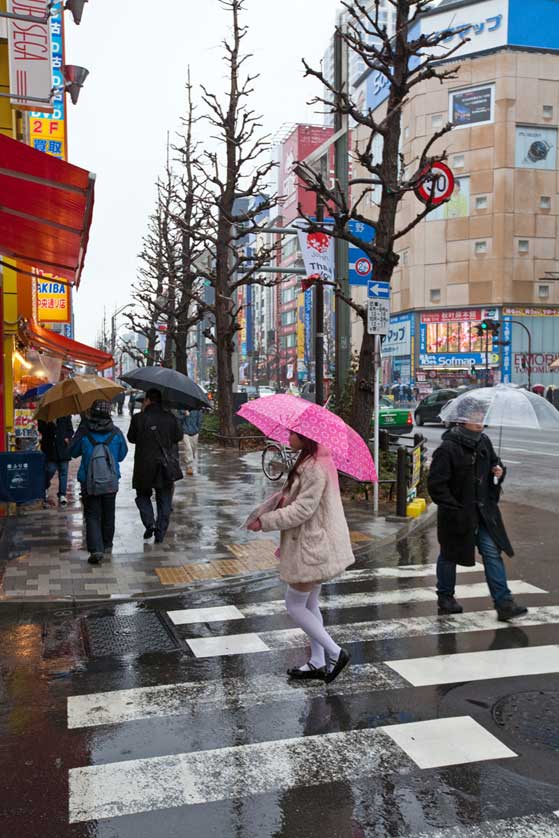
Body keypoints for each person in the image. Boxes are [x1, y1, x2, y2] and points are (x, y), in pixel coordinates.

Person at [247, 433, 354, 684]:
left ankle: (335, 652)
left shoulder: (314, 467)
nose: (288, 436)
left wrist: (266, 521)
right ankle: (317, 661)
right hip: (313, 543)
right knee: (309, 604)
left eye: (293, 433)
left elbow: (303, 510)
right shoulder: (314, 461)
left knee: (294, 605)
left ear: (306, 437)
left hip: (310, 546)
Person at [428, 400, 528, 622]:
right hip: (458, 515)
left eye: (482, 417)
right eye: (475, 417)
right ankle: (445, 597)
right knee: (449, 555)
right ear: (462, 419)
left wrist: (499, 472)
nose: (480, 421)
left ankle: (504, 603)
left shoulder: (484, 442)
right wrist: (454, 508)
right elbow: (436, 485)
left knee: (492, 553)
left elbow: (495, 465)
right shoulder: (448, 448)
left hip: (484, 515)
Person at [69, 400, 128, 565]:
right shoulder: (116, 433)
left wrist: (80, 433)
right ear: (109, 413)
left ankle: (96, 549)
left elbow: (72, 452)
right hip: (111, 481)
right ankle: (107, 545)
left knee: (92, 515)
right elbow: (122, 454)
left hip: (89, 482)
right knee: (109, 513)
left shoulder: (84, 432)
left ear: (92, 413)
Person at [127, 388, 184, 543]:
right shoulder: (170, 418)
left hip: (143, 465)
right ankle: (160, 533)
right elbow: (178, 437)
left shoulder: (139, 418)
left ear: (148, 400)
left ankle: (149, 522)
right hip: (164, 465)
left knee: (142, 495)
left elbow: (131, 438)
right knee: (164, 499)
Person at [38, 415, 74, 506]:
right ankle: (45, 486)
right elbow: (41, 430)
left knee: (63, 472)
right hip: (50, 449)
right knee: (50, 469)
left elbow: (70, 430)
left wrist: (67, 437)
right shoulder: (44, 415)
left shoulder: (65, 414)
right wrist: (48, 423)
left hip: (63, 448)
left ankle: (62, 494)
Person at [182, 409, 203, 475]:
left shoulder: (198, 410)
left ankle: (190, 460)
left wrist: (198, 429)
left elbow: (199, 420)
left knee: (193, 449)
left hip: (195, 431)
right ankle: (189, 466)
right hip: (185, 432)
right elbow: (178, 419)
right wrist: (184, 415)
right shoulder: (182, 409)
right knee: (188, 448)